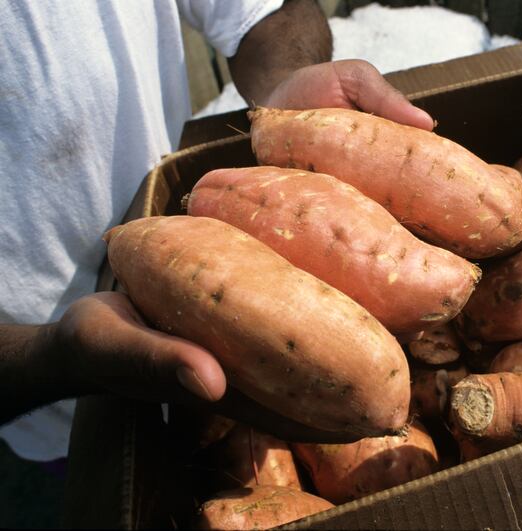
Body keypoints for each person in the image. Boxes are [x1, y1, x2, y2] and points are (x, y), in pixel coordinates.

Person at [0, 0, 434, 462]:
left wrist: (284, 83)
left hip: (187, 240)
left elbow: (260, 10)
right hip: (31, 374)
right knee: (92, 465)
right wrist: (54, 360)